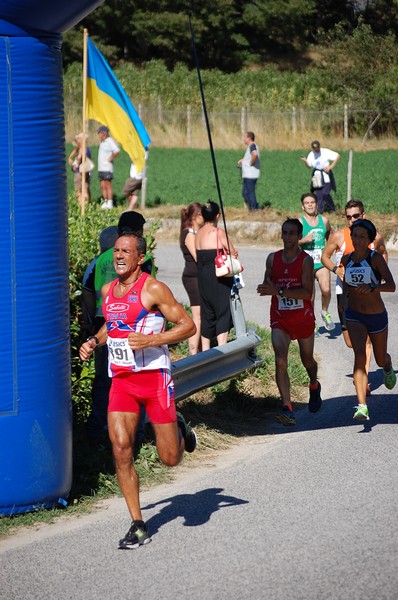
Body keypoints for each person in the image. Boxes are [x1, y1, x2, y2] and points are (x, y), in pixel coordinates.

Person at [79, 232, 197, 549]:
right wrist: (94, 341)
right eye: (116, 250)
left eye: (125, 251)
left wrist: (151, 340)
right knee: (120, 449)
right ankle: (138, 524)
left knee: (170, 458)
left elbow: (188, 326)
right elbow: (112, 326)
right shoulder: (108, 290)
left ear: (139, 258)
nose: (118, 255)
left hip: (155, 380)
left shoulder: (153, 288)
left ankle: (179, 428)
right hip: (122, 382)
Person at [82, 212, 154, 438]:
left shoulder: (101, 258)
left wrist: (88, 326)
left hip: (102, 321)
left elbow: (86, 291)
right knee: (133, 374)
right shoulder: (144, 258)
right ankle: (136, 432)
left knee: (104, 376)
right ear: (138, 230)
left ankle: (98, 427)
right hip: (131, 321)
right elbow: (147, 290)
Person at [257, 218, 322, 426]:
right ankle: (287, 406)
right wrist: (265, 286)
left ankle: (313, 384)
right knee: (280, 360)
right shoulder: (272, 258)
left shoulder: (305, 261)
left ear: (299, 235)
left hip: (302, 318)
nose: (288, 237)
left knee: (307, 361)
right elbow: (268, 281)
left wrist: (280, 291)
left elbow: (307, 292)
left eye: (292, 233)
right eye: (284, 233)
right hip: (280, 319)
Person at [321, 199, 387, 394]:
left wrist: (379, 276)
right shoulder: (339, 236)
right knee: (350, 342)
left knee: (364, 342)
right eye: (348, 217)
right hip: (346, 293)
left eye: (356, 216)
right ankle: (379, 366)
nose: (352, 220)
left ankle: (363, 381)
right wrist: (336, 270)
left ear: (363, 216)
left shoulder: (376, 237)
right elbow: (325, 256)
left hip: (368, 295)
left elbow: (383, 253)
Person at [341, 219, 396, 421]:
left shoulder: (376, 259)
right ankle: (362, 406)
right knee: (359, 357)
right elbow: (346, 287)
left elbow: (391, 285)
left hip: (376, 315)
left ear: (370, 240)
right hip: (354, 315)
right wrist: (343, 310)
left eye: (362, 237)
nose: (357, 240)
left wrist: (373, 288)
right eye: (354, 236)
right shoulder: (346, 260)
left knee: (380, 359)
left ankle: (388, 367)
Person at [195, 201, 238, 350]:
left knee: (207, 312)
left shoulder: (198, 234)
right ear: (217, 216)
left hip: (202, 276)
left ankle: (205, 351)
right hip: (218, 277)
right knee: (223, 311)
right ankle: (222, 348)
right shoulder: (218, 232)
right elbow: (233, 252)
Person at [298, 192, 334, 334]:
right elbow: (292, 242)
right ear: (303, 206)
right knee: (310, 297)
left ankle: (325, 312)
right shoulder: (300, 223)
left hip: (321, 261)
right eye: (307, 203)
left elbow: (330, 234)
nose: (310, 205)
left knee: (326, 290)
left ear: (316, 204)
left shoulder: (324, 220)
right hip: (306, 264)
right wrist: (303, 240)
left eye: (312, 202)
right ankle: (311, 323)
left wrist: (331, 247)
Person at [179, 202, 203, 355]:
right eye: (202, 215)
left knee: (200, 315)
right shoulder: (188, 234)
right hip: (192, 277)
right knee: (197, 316)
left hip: (196, 276)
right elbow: (198, 257)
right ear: (195, 217)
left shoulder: (193, 232)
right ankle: (193, 352)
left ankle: (198, 349)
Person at [300, 140, 340, 213]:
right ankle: (320, 210)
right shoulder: (311, 154)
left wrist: (330, 166)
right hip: (317, 175)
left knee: (325, 193)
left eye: (317, 148)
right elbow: (309, 166)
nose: (317, 150)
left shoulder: (325, 151)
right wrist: (305, 161)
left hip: (325, 174)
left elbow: (337, 156)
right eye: (315, 149)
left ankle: (332, 208)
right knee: (318, 194)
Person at [97, 125, 120, 210]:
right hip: (101, 168)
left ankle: (110, 202)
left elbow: (116, 151)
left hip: (107, 168)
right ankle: (105, 202)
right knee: (102, 185)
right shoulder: (102, 142)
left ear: (104, 133)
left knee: (107, 184)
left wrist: (110, 159)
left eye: (99, 133)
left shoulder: (109, 141)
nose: (98, 134)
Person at [237, 131, 260, 212]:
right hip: (248, 174)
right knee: (245, 193)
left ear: (249, 138)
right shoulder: (251, 146)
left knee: (249, 193)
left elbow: (255, 155)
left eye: (245, 137)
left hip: (251, 174)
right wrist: (242, 161)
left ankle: (254, 209)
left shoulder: (252, 145)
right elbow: (250, 157)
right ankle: (254, 207)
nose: (244, 139)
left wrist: (250, 164)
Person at [68, 132, 92, 206]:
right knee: (85, 188)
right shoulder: (86, 148)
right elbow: (73, 153)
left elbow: (79, 158)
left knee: (79, 190)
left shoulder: (82, 149)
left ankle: (81, 205)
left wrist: (75, 165)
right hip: (86, 171)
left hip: (79, 172)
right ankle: (87, 205)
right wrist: (70, 158)